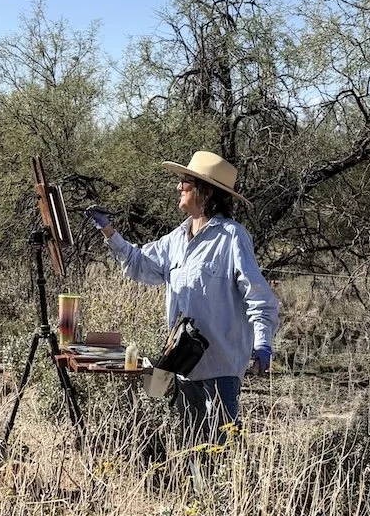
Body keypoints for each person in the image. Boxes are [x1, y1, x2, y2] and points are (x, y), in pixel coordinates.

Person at [85, 150, 279, 447]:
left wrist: (262, 343)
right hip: (183, 365)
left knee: (219, 449)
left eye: (186, 182)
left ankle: (224, 494)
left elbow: (258, 295)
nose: (179, 187)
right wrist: (108, 231)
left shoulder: (232, 237)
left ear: (206, 191)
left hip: (220, 368)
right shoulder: (176, 238)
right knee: (189, 448)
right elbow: (140, 264)